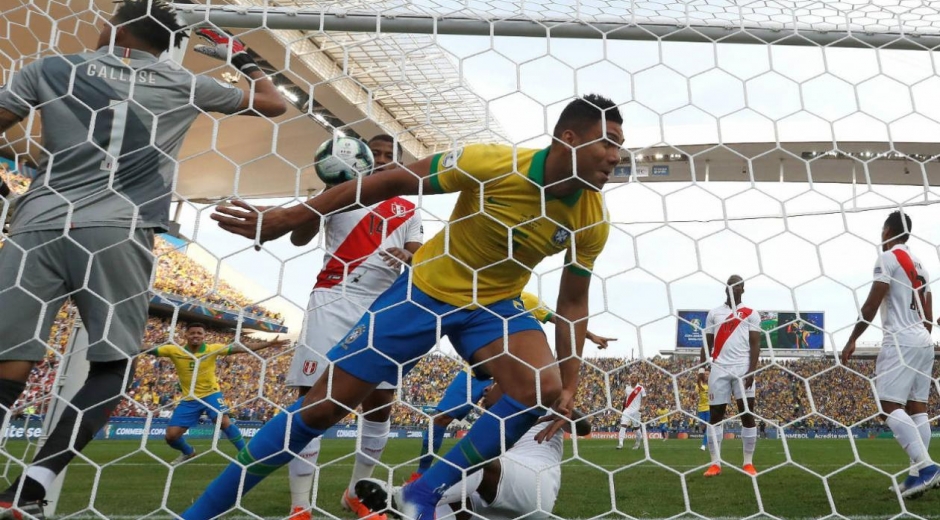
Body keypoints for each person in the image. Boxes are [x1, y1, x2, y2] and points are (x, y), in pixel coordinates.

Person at [187, 94, 622, 519]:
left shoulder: (592, 218)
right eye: (607, 142)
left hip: (494, 304)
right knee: (320, 409)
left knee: (539, 389)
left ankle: (423, 492)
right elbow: (392, 181)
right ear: (569, 138)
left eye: (619, 146)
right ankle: (197, 513)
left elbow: (572, 302)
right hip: (425, 291)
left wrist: (569, 384)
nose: (615, 156)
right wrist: (294, 216)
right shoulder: (491, 164)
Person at [0, 0, 285, 514]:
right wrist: (239, 56)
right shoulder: (184, 82)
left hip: (38, 224)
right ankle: (30, 489)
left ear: (115, 26)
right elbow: (273, 104)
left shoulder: (51, 67)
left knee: (11, 361)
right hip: (119, 229)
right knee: (113, 367)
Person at [286, 134, 423, 520]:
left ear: (397, 165)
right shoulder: (339, 193)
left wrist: (407, 255)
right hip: (333, 297)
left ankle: (356, 492)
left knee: (379, 405)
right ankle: (300, 503)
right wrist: (328, 193)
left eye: (387, 156)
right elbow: (298, 237)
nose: (380, 160)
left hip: (383, 306)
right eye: (374, 154)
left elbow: (419, 253)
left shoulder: (407, 208)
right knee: (311, 401)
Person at [409, 291, 615, 481]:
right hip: (478, 368)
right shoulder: (481, 294)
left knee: (522, 413)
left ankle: (502, 471)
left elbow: (560, 320)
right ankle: (422, 472)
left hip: (516, 371)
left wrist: (590, 335)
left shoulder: (527, 299)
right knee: (440, 418)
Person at [358, 382, 592, 520]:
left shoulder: (544, 402)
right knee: (445, 500)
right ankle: (413, 505)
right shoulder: (492, 424)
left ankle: (406, 496)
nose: (487, 388)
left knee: (474, 462)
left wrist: (566, 411)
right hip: (493, 502)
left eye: (494, 383)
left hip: (535, 487)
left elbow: (585, 427)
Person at [842, 211, 939, 499]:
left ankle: (926, 467)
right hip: (924, 340)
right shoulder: (920, 265)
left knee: (887, 405)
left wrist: (852, 339)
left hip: (901, 340)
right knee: (916, 407)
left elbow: (872, 304)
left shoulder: (887, 258)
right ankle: (915, 477)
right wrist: (924, 334)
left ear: (887, 231)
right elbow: (929, 310)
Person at [149, 322, 288, 465]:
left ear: (204, 336)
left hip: (211, 394)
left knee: (224, 421)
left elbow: (240, 348)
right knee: (171, 436)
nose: (196, 335)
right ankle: (188, 452)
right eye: (192, 333)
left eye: (199, 333)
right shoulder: (174, 350)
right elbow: (149, 349)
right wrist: (128, 344)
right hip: (189, 398)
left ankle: (246, 455)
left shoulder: (212, 349)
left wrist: (268, 344)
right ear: (186, 335)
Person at [701, 275, 760, 478]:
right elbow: (706, 342)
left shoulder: (751, 313)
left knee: (746, 413)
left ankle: (748, 463)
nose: (734, 289)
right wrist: (702, 369)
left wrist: (752, 370)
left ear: (743, 289)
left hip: (743, 368)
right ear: (726, 289)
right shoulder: (714, 313)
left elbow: (755, 343)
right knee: (715, 416)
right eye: (730, 286)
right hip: (719, 368)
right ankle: (715, 464)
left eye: (738, 286)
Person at [616, 376, 646, 450]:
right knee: (623, 425)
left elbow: (644, 398)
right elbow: (626, 399)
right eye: (632, 378)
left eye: (634, 377)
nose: (633, 379)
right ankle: (620, 444)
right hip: (627, 410)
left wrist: (643, 406)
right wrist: (623, 409)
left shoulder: (640, 388)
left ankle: (638, 443)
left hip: (636, 410)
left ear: (637, 379)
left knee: (636, 428)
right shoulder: (627, 388)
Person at [695, 369, 710, 451]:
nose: (706, 375)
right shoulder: (699, 385)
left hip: (709, 408)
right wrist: (693, 395)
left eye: (708, 374)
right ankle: (708, 439)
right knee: (703, 427)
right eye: (705, 374)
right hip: (701, 408)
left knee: (708, 427)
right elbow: (694, 396)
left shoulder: (711, 385)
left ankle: (703, 445)